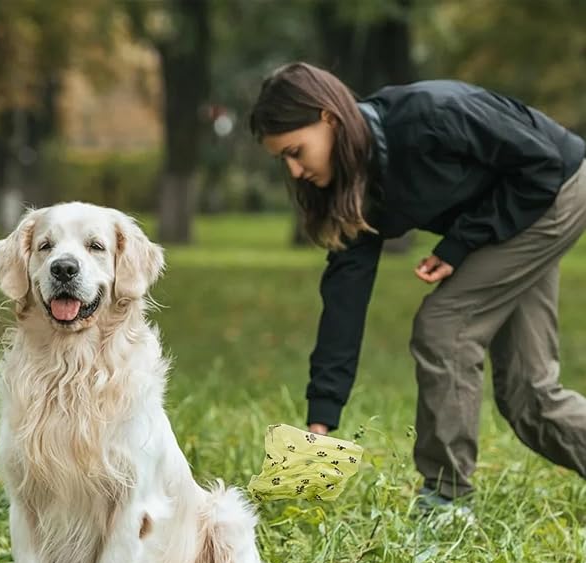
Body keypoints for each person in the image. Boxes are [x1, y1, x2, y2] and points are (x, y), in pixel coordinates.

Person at [249, 62, 586, 507]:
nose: (293, 171)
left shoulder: (430, 116)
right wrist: (320, 425)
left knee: (444, 327)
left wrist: (458, 245)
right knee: (529, 396)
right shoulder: (355, 186)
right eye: (283, 160)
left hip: (555, 190)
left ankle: (445, 500)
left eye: (296, 151)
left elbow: (540, 165)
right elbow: (344, 304)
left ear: (328, 118)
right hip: (516, 210)